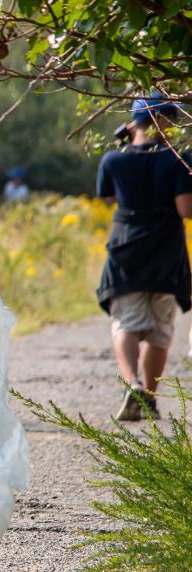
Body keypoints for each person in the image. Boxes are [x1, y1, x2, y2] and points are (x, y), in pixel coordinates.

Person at [96, 95, 192, 420]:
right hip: (166, 251)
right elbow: (185, 210)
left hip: (126, 250)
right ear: (165, 121)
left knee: (125, 320)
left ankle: (132, 383)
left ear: (133, 123)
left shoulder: (113, 160)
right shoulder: (177, 159)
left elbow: (110, 196)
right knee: (159, 328)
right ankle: (149, 398)